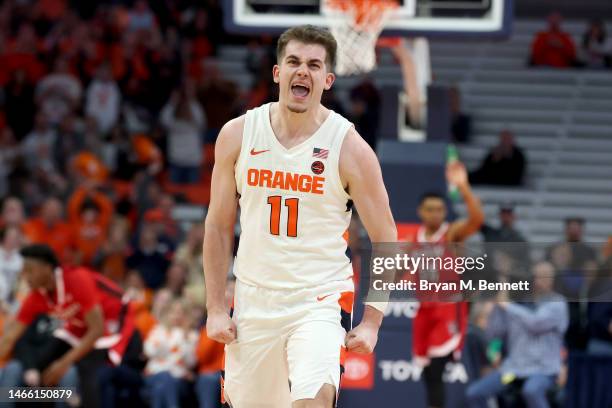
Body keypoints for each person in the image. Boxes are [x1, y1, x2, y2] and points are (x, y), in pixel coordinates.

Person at [203, 25, 397, 408]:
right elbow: (218, 225)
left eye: (313, 64)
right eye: (293, 62)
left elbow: (387, 236)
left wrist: (373, 321)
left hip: (319, 300)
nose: (302, 71)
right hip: (254, 299)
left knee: (313, 401)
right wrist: (213, 308)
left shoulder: (350, 149)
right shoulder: (238, 135)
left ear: (327, 79)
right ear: (278, 72)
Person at [0, 244, 135, 408]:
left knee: (87, 371)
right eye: (23, 270)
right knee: (43, 364)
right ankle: (50, 398)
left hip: (114, 316)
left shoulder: (76, 279)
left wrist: (64, 363)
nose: (24, 275)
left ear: (47, 268)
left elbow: (97, 330)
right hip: (81, 323)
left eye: (29, 270)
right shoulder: (37, 296)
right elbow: (9, 338)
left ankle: (80, 399)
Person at [405, 163, 484, 408]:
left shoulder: (451, 235)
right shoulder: (412, 241)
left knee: (437, 369)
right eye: (430, 209)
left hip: (448, 310)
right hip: (425, 310)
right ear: (421, 211)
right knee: (427, 372)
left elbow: (477, 219)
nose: (436, 214)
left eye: (440, 209)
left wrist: (463, 186)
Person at [466, 261, 569, 408]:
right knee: (475, 393)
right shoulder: (518, 304)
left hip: (544, 371)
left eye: (547, 277)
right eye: (539, 277)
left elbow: (536, 323)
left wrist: (506, 304)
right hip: (514, 372)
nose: (542, 281)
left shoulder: (557, 303)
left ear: (553, 280)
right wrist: (497, 304)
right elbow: (495, 334)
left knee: (531, 390)